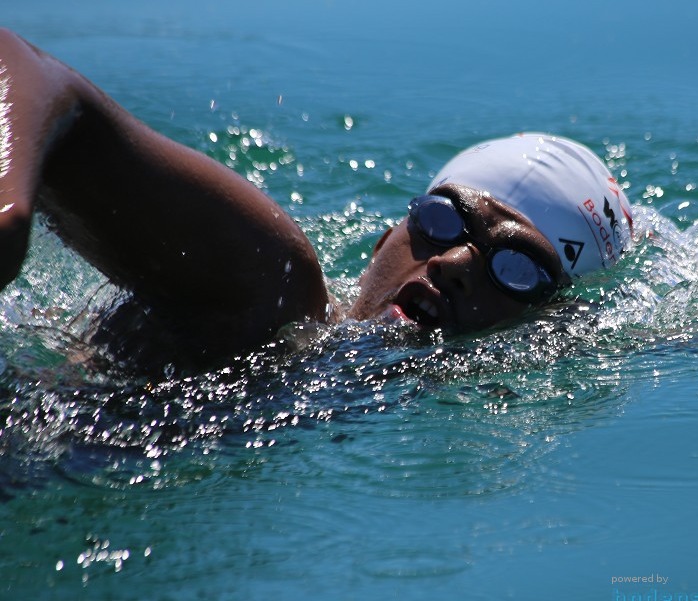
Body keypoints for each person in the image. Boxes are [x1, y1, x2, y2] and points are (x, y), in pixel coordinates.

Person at [0, 29, 633, 372]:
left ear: (557, 329)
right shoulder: (270, 289)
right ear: (388, 235)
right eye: (441, 220)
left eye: (516, 267)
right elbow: (29, 69)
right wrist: (9, 210)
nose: (453, 264)